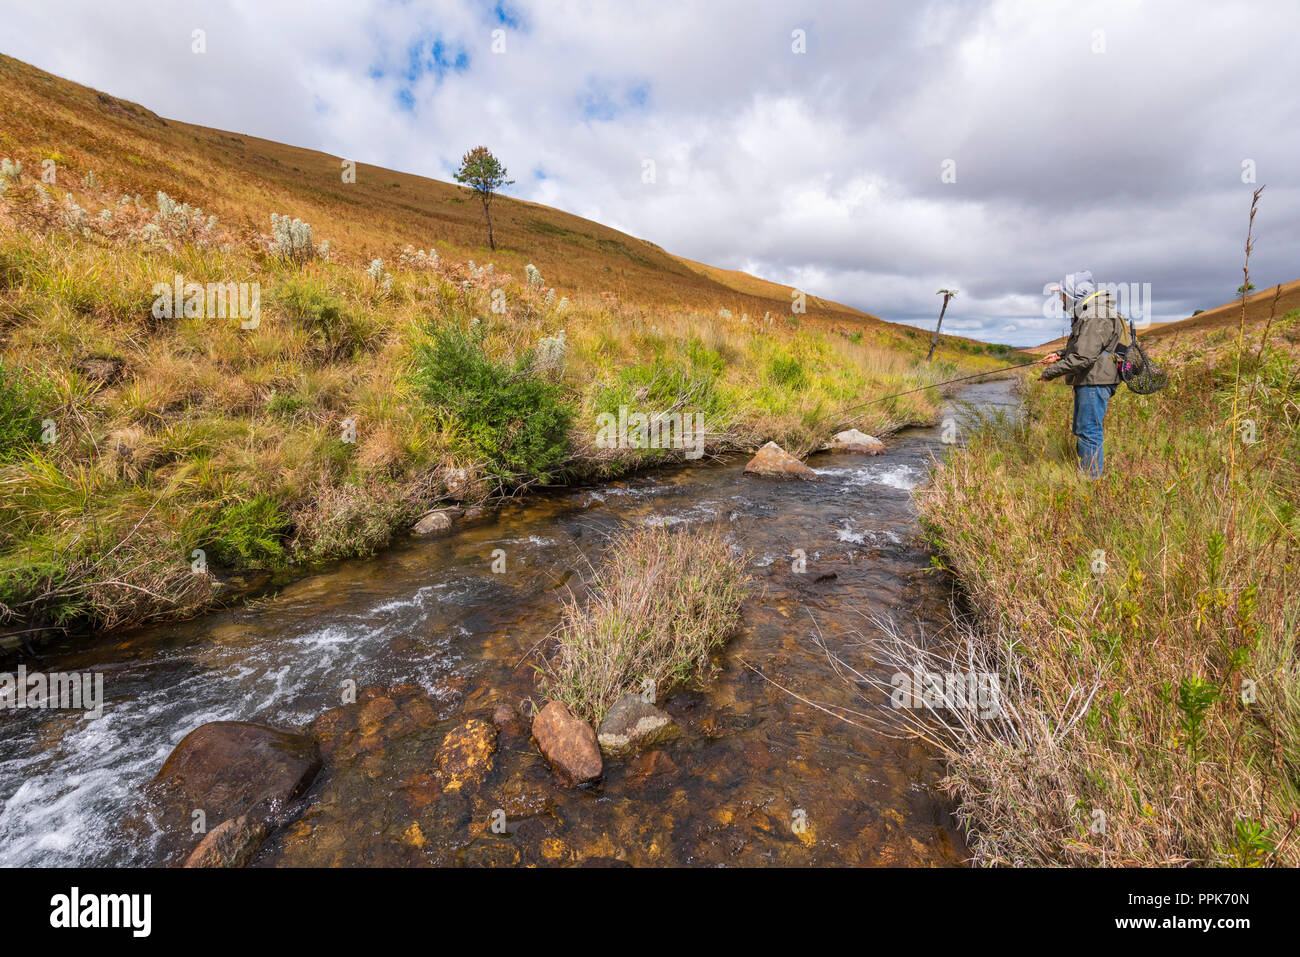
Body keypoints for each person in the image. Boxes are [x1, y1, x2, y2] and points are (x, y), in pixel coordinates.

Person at [1037, 270, 1124, 478]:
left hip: (1095, 381)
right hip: (1092, 379)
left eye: (1063, 294)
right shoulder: (1091, 312)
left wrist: (1049, 373)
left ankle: (1089, 481)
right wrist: (1059, 355)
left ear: (1076, 293)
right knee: (1084, 429)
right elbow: (1086, 347)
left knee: (1089, 431)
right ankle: (1087, 475)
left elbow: (1084, 357)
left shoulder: (1095, 315)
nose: (1061, 299)